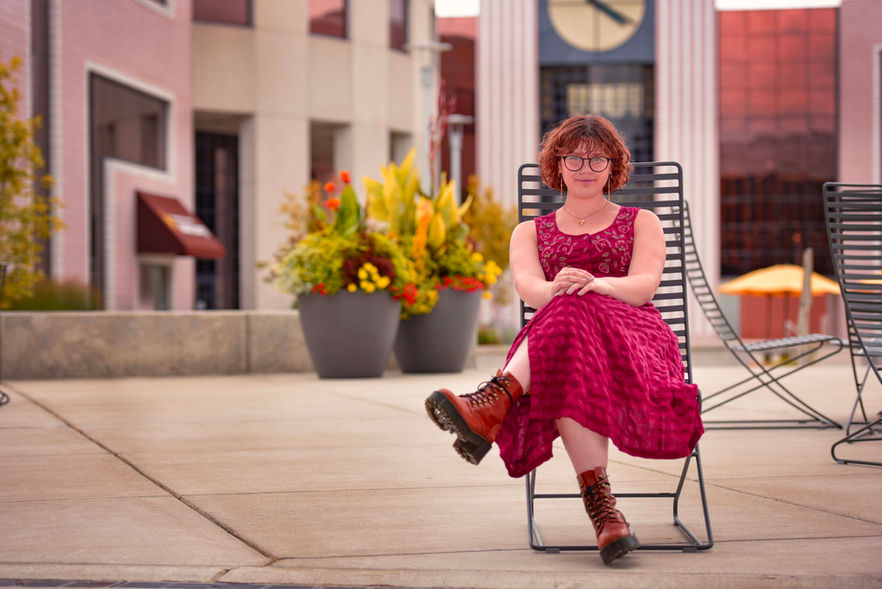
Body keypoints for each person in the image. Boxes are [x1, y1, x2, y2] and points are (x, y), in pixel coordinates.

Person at [425, 114, 705, 565]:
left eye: (597, 159)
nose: (585, 168)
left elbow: (644, 287)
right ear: (557, 164)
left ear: (614, 166)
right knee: (568, 325)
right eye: (574, 158)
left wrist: (596, 284)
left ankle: (494, 400)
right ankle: (605, 513)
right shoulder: (528, 232)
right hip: (562, 344)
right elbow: (530, 290)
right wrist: (559, 288)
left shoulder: (643, 221)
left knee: (573, 307)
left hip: (635, 338)